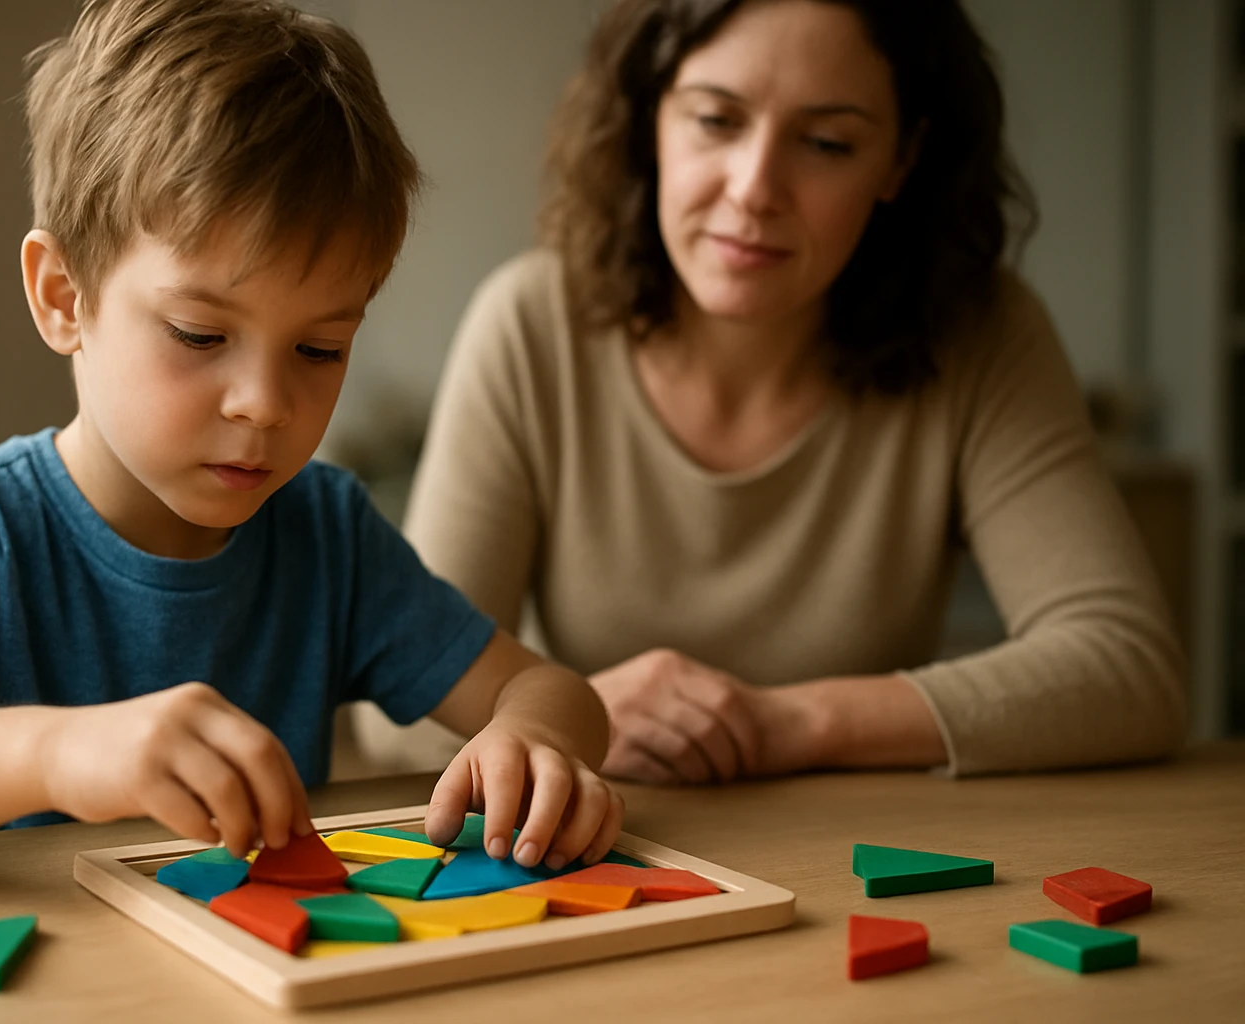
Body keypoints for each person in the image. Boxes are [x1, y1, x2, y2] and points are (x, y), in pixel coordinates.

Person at [0, 0, 621, 872]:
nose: (264, 403)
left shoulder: (327, 534)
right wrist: (56, 753)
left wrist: (531, 739)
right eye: (199, 335)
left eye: (319, 348)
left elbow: (553, 692)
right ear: (63, 298)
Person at [401, 0, 1186, 784]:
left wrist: (786, 724)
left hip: (866, 845)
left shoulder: (984, 334)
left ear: (901, 160)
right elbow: (394, 710)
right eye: (716, 121)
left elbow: (1126, 666)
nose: (754, 190)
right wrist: (574, 717)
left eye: (826, 143)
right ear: (650, 120)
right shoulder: (531, 325)